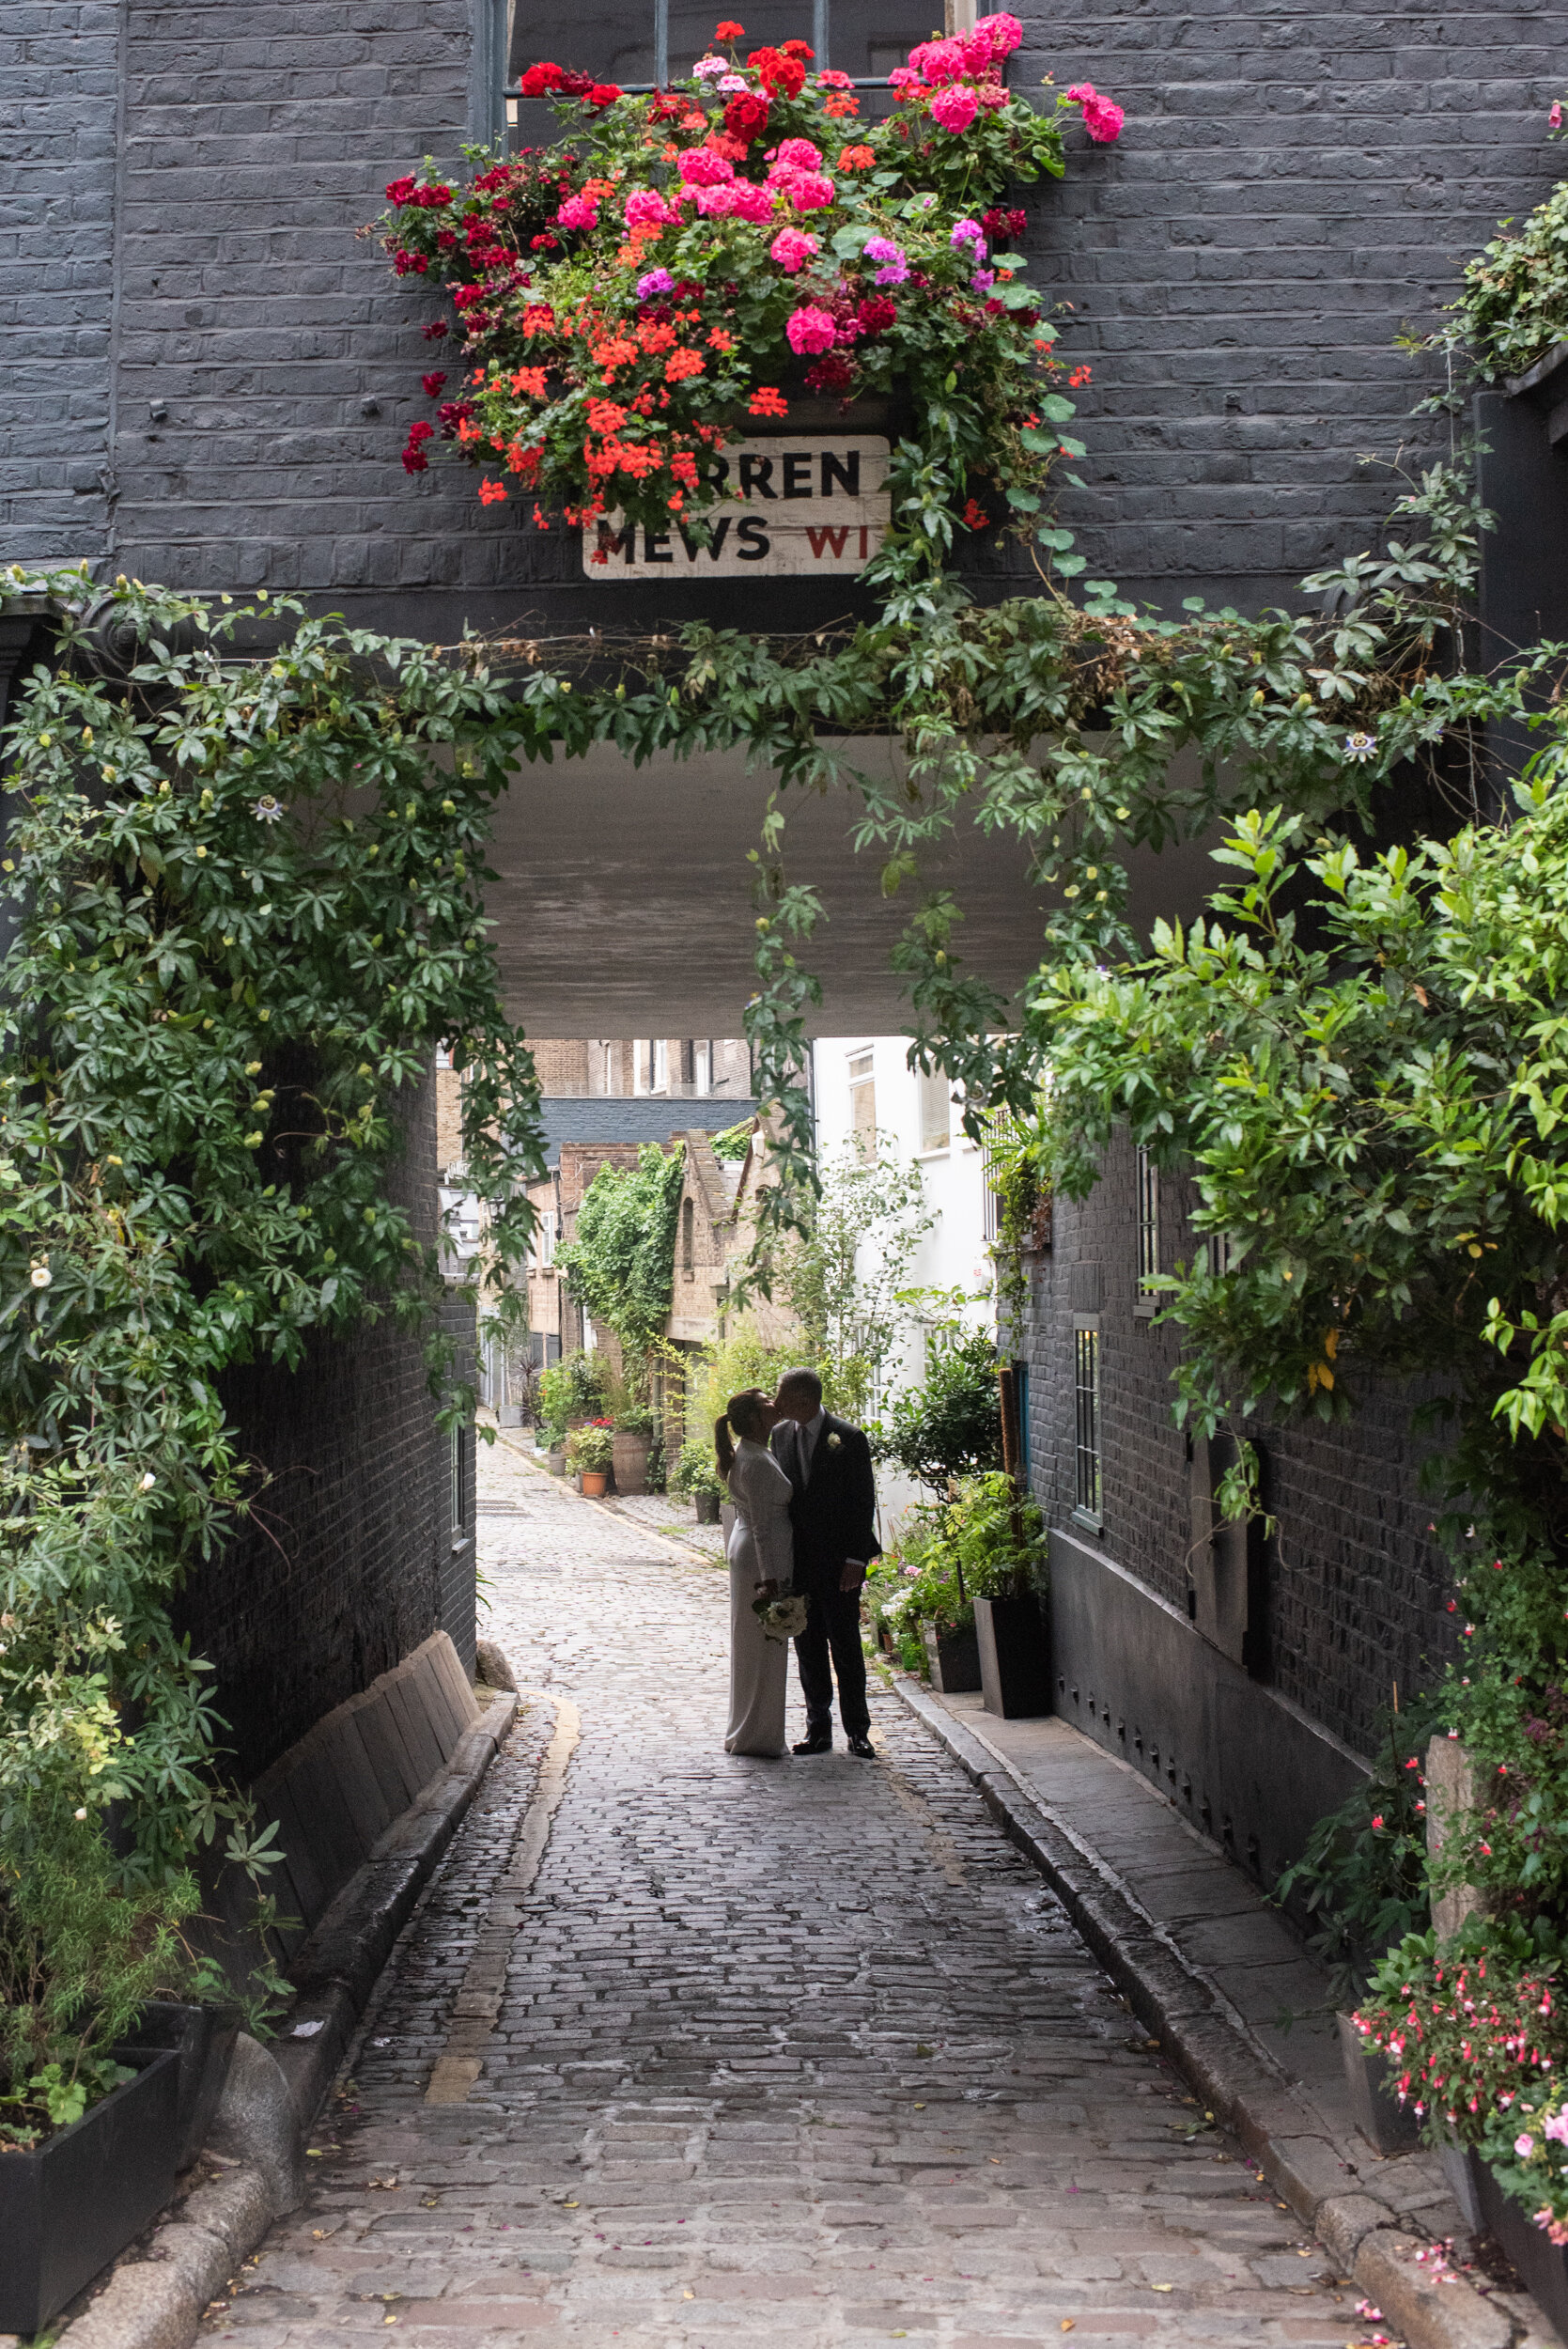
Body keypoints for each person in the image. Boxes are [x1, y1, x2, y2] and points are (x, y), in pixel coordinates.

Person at [769, 1367, 880, 1759]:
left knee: (846, 1647)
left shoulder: (847, 1438)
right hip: (798, 1564)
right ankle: (818, 1729)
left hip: (838, 1565)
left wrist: (856, 1558)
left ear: (803, 1400)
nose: (776, 1403)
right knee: (808, 1646)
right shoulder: (779, 1435)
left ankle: (858, 1730)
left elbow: (862, 1501)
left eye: (781, 1397)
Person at [716, 1387, 794, 1758]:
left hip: (751, 1552)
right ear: (752, 1417)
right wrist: (770, 1579)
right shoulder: (756, 1460)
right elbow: (763, 1526)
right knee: (763, 1644)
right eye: (767, 1403)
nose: (775, 1405)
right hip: (760, 1561)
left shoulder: (755, 1452)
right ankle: (757, 1735)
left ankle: (752, 1730)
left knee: (757, 1645)